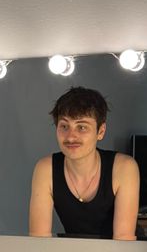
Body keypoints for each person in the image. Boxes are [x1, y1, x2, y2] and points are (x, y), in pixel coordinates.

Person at [28, 86, 139, 239]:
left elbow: (123, 240)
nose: (70, 137)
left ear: (101, 131)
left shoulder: (124, 168)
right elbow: (38, 239)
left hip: (122, 251)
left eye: (81, 127)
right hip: (75, 251)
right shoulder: (45, 169)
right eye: (64, 126)